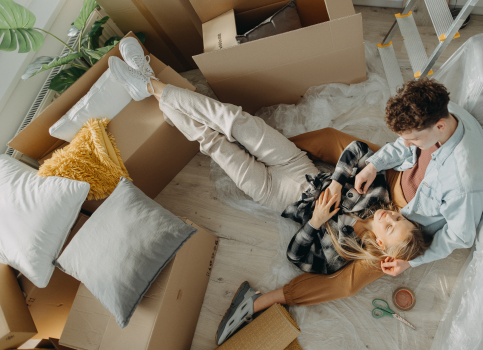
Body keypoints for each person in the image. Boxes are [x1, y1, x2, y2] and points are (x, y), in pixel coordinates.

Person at [107, 37, 433, 345]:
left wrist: (317, 221)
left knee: (212, 142)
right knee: (233, 119)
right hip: (296, 164)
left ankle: (146, 83)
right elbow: (357, 150)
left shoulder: (345, 251)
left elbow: (297, 256)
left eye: (390, 225)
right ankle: (150, 84)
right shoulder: (377, 195)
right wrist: (336, 181)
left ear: (380, 243)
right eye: (398, 216)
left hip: (274, 194)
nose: (389, 214)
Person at [354, 78, 483, 278]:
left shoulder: (464, 183)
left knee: (359, 267)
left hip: (406, 218)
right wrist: (373, 165)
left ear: (440, 126)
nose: (406, 144)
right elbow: (402, 146)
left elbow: (460, 236)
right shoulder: (437, 111)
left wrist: (411, 262)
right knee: (333, 141)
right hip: (399, 171)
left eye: (413, 139)